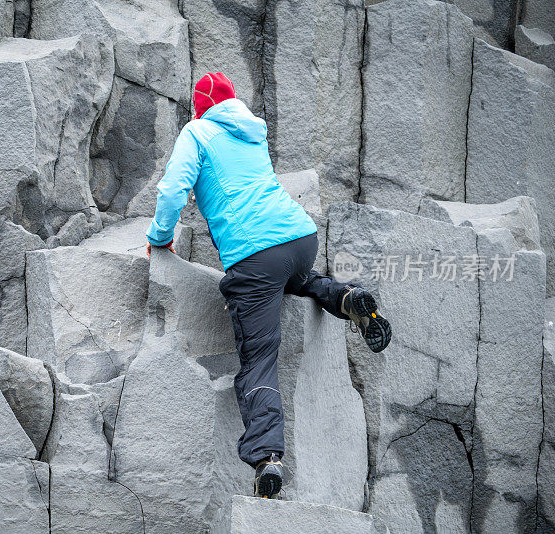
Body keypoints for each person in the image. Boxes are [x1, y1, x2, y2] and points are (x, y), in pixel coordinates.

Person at [144, 72, 391, 499]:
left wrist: (159, 239)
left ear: (200, 106)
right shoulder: (251, 131)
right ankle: (348, 297)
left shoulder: (197, 131)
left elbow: (172, 190)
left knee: (258, 359)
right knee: (301, 280)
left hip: (256, 258)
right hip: (299, 238)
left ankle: (267, 458)